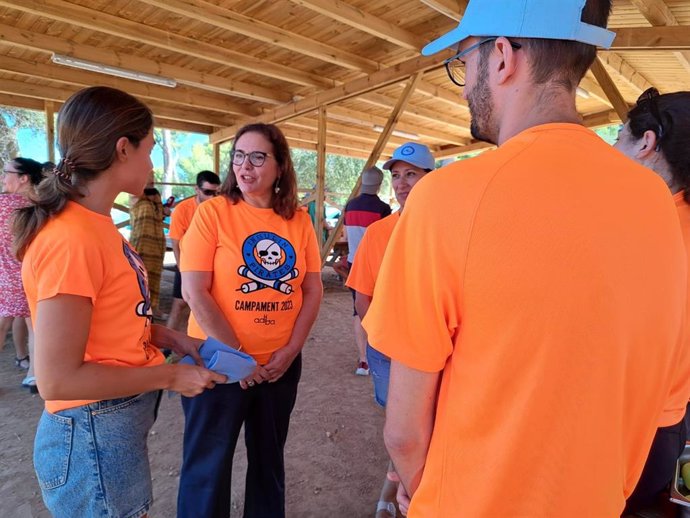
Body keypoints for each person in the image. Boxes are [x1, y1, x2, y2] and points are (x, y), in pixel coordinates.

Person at [362, 1, 689, 517]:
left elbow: (403, 432)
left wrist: (423, 489)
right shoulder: (655, 204)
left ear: (501, 58)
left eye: (463, 63)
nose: (466, 85)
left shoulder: (448, 198)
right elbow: (663, 405)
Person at [13, 86, 224, 518]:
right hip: (92, 433)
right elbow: (57, 380)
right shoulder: (72, 238)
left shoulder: (96, 226)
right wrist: (168, 377)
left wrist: (167, 336)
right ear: (122, 149)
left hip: (108, 429)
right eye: (148, 149)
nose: (150, 162)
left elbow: (105, 320)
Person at [177, 123, 323, 518]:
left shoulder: (299, 221)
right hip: (218, 365)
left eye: (258, 157)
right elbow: (195, 292)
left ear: (280, 166)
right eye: (239, 156)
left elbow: (312, 290)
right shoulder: (213, 214)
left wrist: (291, 350)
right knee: (207, 469)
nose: (246, 166)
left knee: (268, 464)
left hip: (278, 367)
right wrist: (239, 358)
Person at [346, 143, 434, 518]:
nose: (401, 183)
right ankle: (400, 488)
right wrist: (381, 339)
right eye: (396, 176)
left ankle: (421, 494)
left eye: (411, 174)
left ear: (431, 178)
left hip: (434, 348)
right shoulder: (380, 233)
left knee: (434, 421)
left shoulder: (449, 227)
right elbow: (363, 298)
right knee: (398, 424)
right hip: (389, 350)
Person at [614, 89, 690, 515]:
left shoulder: (642, 229)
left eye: (619, 138)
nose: (612, 150)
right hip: (672, 424)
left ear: (647, 142)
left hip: (628, 426)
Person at [1, 157, 43, 391]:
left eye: (6, 172)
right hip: (35, 275)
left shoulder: (4, 205)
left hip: (6, 276)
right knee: (34, 325)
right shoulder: (45, 205)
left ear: (24, 178)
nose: (3, 177)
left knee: (2, 324)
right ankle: (33, 375)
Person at [343, 166, 391, 375]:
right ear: (379, 184)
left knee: (357, 310)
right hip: (379, 265)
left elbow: (346, 236)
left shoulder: (350, 206)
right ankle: (379, 349)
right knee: (380, 308)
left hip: (355, 263)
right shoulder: (383, 208)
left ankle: (363, 359)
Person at [166, 170, 220, 331]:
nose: (212, 197)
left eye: (216, 193)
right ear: (197, 189)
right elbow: (176, 243)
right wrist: (183, 270)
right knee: (180, 305)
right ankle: (166, 350)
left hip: (212, 265)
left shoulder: (219, 208)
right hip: (188, 266)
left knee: (207, 307)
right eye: (208, 192)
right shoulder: (183, 209)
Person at [129, 179, 166, 316]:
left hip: (156, 243)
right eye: (148, 177)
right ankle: (138, 307)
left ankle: (153, 307)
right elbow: (135, 188)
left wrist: (164, 210)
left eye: (153, 178)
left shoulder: (155, 197)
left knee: (154, 277)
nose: (151, 180)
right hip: (141, 242)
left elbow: (161, 215)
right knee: (139, 277)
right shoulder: (136, 197)